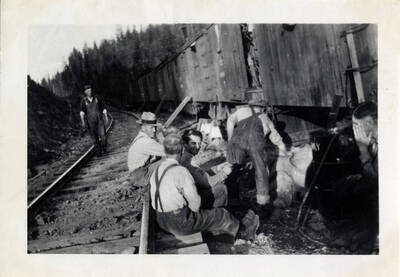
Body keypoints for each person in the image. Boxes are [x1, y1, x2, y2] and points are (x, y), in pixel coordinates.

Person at [150, 133, 260, 240]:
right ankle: (245, 233)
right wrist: (198, 213)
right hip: (178, 223)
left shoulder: (158, 168)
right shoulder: (181, 171)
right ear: (182, 150)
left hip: (161, 221)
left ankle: (222, 228)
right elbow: (196, 204)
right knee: (221, 215)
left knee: (206, 208)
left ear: (165, 151)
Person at [226, 91, 286, 210]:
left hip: (237, 142)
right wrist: (283, 148)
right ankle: (262, 201)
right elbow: (274, 135)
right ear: (262, 107)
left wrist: (230, 139)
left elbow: (230, 121)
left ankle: (232, 198)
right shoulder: (264, 117)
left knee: (233, 168)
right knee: (261, 170)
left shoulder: (241, 111)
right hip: (256, 144)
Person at [181, 129, 231, 208]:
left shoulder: (186, 156)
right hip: (189, 199)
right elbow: (208, 183)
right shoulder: (188, 161)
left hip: (189, 192)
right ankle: (217, 214)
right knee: (221, 188)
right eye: (193, 143)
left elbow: (200, 175)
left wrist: (217, 168)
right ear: (185, 144)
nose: (197, 147)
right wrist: (223, 174)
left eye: (199, 143)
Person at [127, 112, 165, 187]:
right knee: (170, 160)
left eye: (155, 127)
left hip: (136, 174)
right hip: (141, 176)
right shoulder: (146, 142)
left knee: (160, 159)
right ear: (143, 127)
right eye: (151, 127)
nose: (154, 130)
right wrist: (161, 136)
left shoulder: (141, 137)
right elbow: (170, 151)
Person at [80, 85, 108, 156]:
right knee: (95, 139)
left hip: (99, 121)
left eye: (90, 90)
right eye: (88, 91)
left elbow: (104, 108)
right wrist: (83, 122)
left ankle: (104, 148)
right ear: (85, 92)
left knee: (103, 137)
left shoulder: (97, 98)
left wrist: (106, 116)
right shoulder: (83, 101)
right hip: (91, 123)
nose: (90, 92)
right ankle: (98, 152)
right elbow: (82, 112)